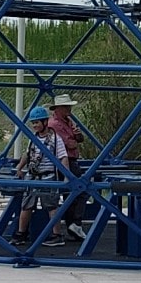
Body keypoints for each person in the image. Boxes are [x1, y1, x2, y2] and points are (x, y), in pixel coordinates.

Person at [13, 104, 68, 247]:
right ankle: (21, 234)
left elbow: (63, 157)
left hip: (48, 177)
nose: (35, 125)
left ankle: (57, 235)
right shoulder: (33, 138)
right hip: (32, 176)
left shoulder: (56, 139)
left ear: (45, 122)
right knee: (26, 205)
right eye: (33, 123)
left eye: (37, 122)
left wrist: (67, 176)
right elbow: (27, 154)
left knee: (51, 206)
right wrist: (19, 167)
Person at [46, 93, 88, 240]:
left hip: (70, 159)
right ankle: (75, 223)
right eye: (66, 106)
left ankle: (73, 225)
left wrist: (76, 135)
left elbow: (77, 140)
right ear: (58, 108)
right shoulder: (54, 125)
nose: (69, 109)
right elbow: (68, 144)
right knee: (82, 190)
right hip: (65, 161)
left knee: (72, 193)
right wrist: (73, 139)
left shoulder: (67, 122)